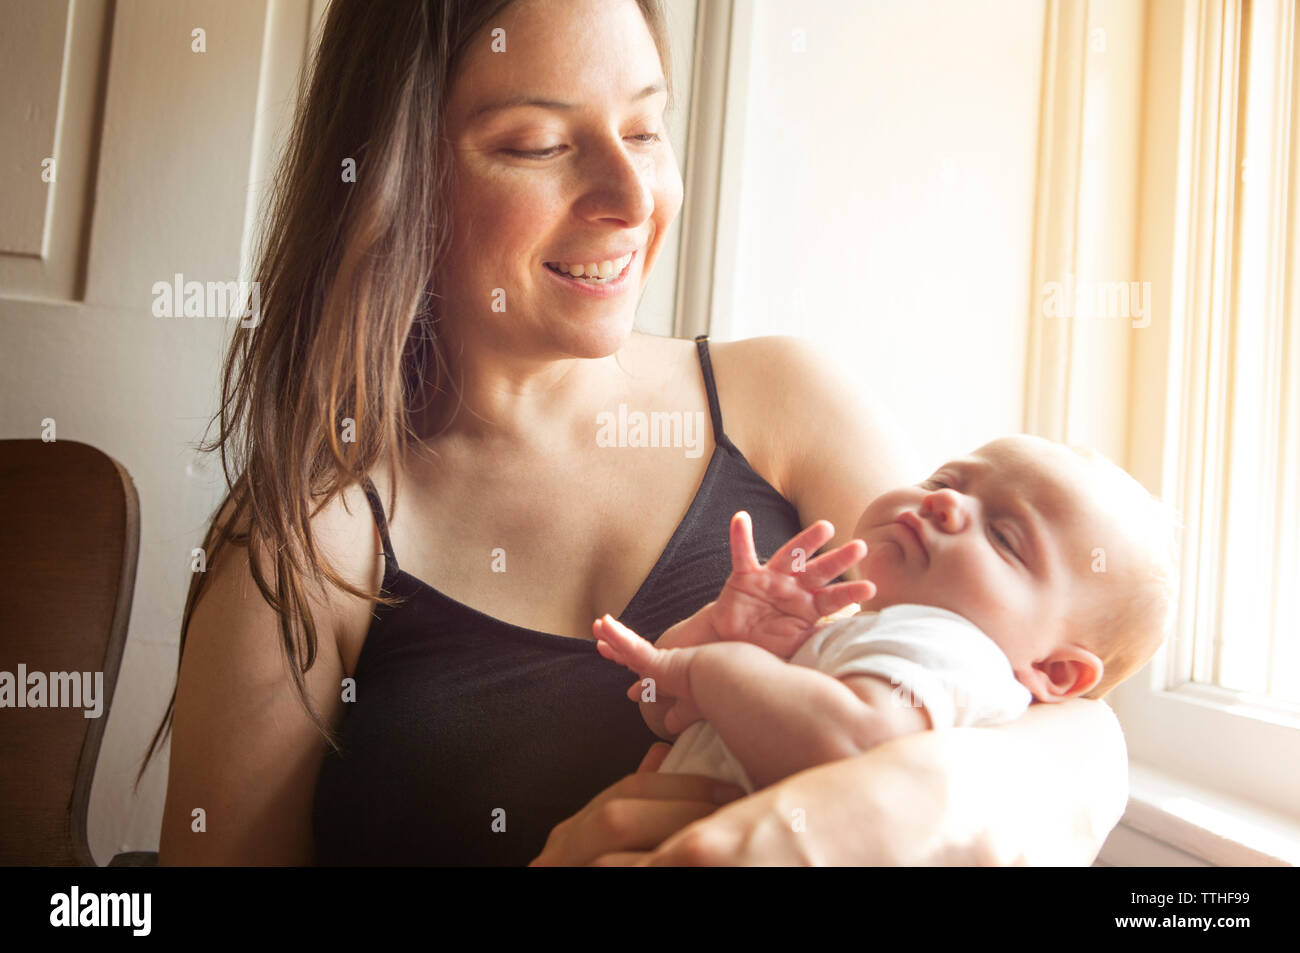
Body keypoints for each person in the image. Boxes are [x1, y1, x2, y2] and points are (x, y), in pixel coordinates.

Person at [147, 0, 1129, 866]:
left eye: (647, 130)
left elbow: (1055, 709)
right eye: (536, 143)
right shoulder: (306, 542)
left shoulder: (783, 401)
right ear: (395, 178)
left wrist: (839, 822)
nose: (630, 198)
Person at [593, 435, 1177, 795]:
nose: (945, 502)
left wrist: (708, 670)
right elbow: (659, 710)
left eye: (1003, 536)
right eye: (945, 480)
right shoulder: (855, 634)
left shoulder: (955, 652)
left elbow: (847, 743)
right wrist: (722, 637)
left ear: (1052, 672)